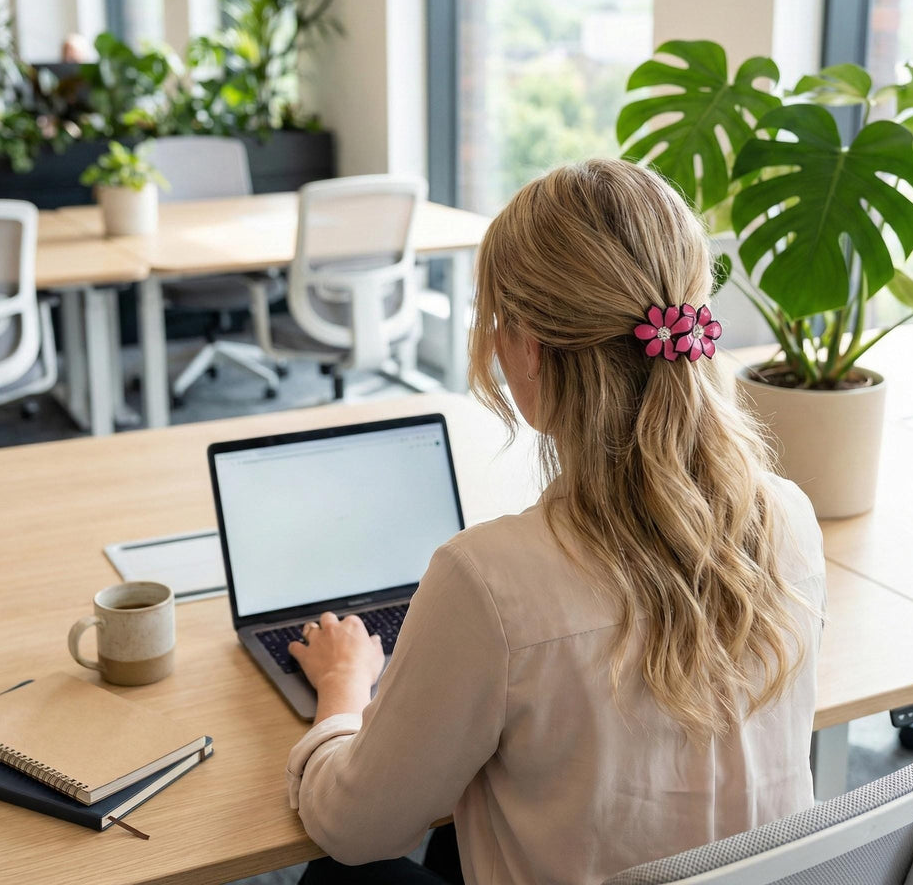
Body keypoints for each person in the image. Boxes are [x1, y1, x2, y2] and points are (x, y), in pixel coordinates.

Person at [285, 159, 826, 885]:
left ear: (530, 349)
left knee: (342, 876)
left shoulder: (489, 582)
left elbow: (355, 827)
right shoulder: (787, 517)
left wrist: (345, 694)